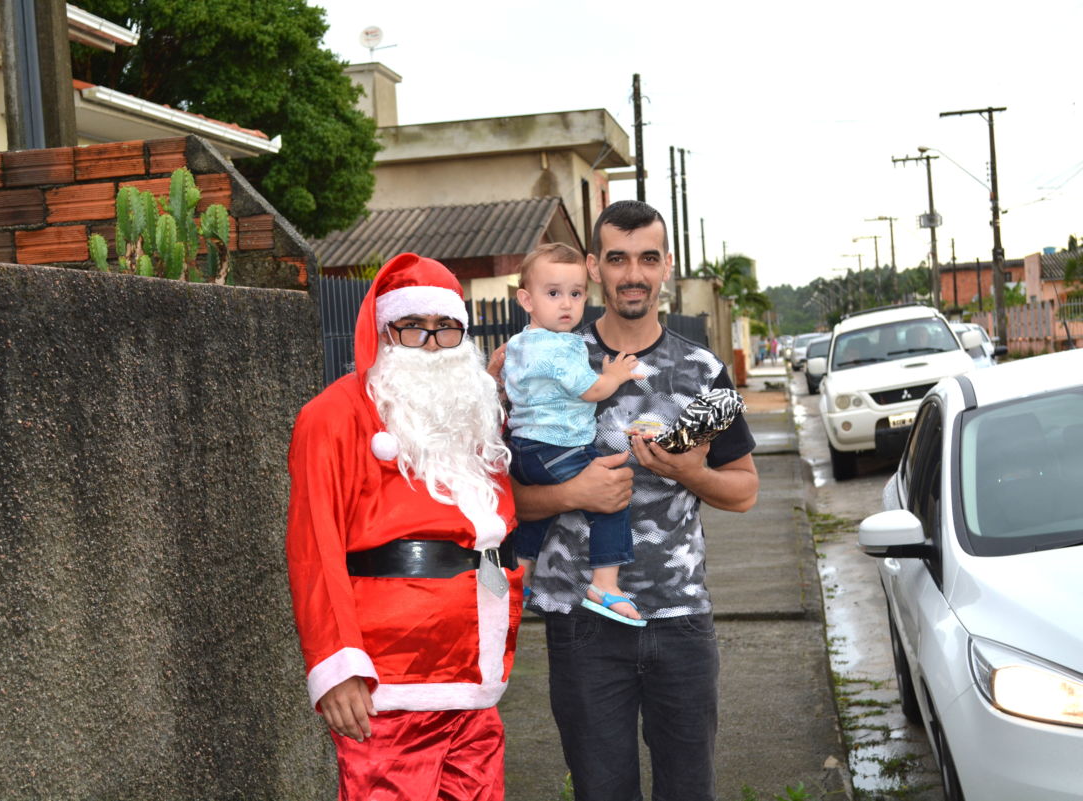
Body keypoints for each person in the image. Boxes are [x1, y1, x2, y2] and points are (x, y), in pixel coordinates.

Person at [509, 201, 760, 801]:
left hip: (680, 620)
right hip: (582, 625)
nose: (633, 274)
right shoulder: (549, 357)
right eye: (617, 259)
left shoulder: (701, 371)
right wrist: (573, 492)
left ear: (666, 266)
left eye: (648, 258)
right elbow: (505, 500)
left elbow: (746, 490)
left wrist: (688, 472)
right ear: (594, 267)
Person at [286, 252, 523, 801]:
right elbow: (312, 546)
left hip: (477, 676)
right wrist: (336, 665)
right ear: (383, 330)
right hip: (389, 683)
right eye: (412, 327)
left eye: (446, 329)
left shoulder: (476, 412)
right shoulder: (332, 415)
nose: (432, 344)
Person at [503, 243, 645, 623]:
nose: (566, 304)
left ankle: (523, 572)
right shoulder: (559, 348)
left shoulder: (517, 344)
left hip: (523, 451)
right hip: (558, 447)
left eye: (576, 294)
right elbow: (592, 390)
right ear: (526, 299)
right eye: (553, 294)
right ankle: (605, 584)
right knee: (611, 496)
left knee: (538, 516)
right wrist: (614, 374)